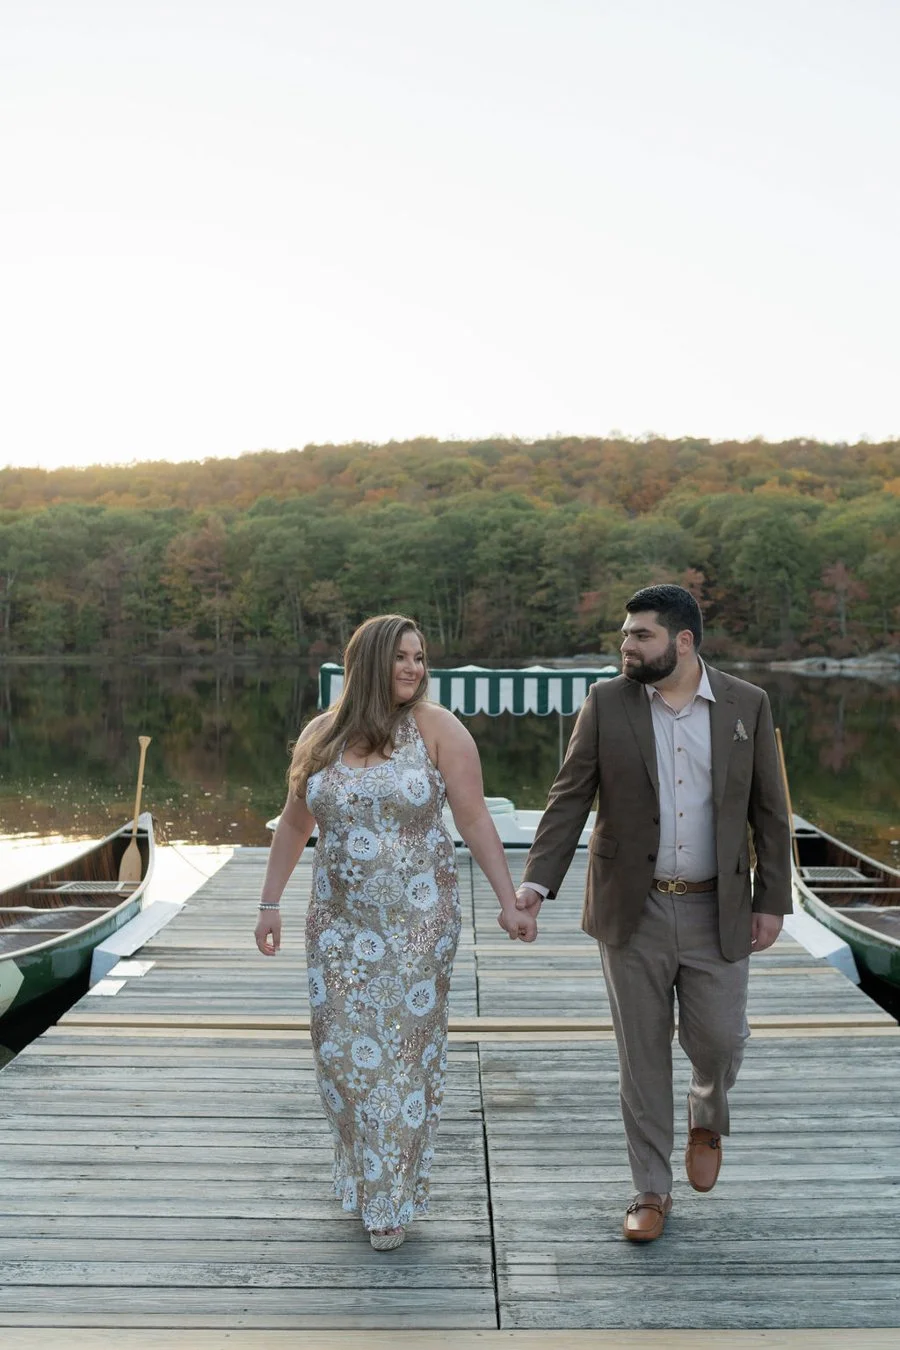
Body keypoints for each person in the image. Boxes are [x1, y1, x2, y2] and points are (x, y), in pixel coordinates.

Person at [515, 584, 791, 1242]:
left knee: (720, 1042)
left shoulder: (746, 704)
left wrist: (773, 901)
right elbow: (569, 796)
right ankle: (650, 1188)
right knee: (641, 1054)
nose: (627, 646)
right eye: (625, 635)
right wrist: (536, 886)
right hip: (630, 908)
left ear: (683, 642)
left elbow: (770, 810)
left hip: (717, 906)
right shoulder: (606, 702)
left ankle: (706, 1111)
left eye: (641, 635)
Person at [255, 613, 535, 1251]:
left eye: (419, 657)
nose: (413, 667)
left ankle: (389, 1200)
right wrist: (269, 902)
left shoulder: (438, 729)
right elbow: (295, 823)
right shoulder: (322, 734)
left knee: (400, 1060)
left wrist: (508, 902)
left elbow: (474, 818)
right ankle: (364, 1173)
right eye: (401, 656)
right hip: (336, 927)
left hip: (418, 928)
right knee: (340, 1058)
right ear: (367, 662)